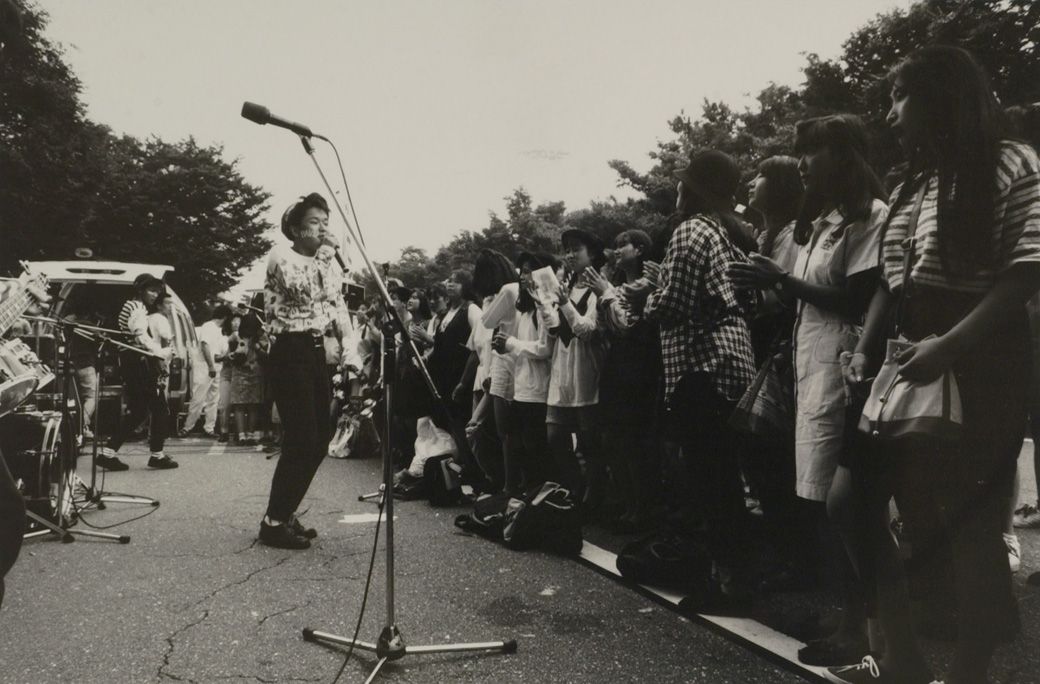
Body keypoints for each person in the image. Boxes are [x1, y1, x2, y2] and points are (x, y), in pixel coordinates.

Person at [832, 46, 1040, 684]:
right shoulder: (913, 182)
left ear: (940, 96)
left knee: (967, 521)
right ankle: (903, 657)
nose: (891, 113)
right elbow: (893, 285)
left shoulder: (1012, 161)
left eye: (900, 96)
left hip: (981, 356)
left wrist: (948, 346)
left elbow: (1024, 271)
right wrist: (868, 350)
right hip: (905, 352)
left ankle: (970, 670)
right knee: (851, 499)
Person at [730, 115, 889, 661]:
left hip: (845, 372)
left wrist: (778, 280)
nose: (802, 161)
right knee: (822, 503)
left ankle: (863, 631)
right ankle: (849, 618)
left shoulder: (868, 219)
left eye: (813, 150)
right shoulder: (824, 223)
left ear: (843, 155)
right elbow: (805, 300)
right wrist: (769, 286)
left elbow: (858, 300)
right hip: (811, 369)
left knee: (843, 506)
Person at [625, 150, 757, 613]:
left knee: (710, 479)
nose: (676, 189)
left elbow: (673, 306)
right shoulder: (727, 232)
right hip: (732, 360)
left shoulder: (689, 229)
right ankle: (731, 575)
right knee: (724, 477)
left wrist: (647, 296)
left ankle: (729, 585)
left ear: (694, 190)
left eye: (682, 183)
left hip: (700, 366)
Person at [259, 192, 347, 550]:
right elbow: (305, 292)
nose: (323, 229)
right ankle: (274, 521)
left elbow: (332, 295)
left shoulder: (324, 260)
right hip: (287, 348)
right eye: (314, 222)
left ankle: (285, 510)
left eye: (326, 222)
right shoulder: (282, 256)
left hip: (313, 348)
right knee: (301, 437)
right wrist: (326, 253)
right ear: (295, 228)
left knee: (321, 437)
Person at [580, 230, 663, 531]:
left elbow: (626, 325)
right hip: (616, 365)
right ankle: (627, 505)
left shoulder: (648, 284)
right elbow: (602, 328)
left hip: (640, 366)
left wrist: (605, 292)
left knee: (633, 439)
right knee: (612, 438)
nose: (615, 252)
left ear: (639, 249)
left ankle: (640, 509)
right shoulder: (615, 285)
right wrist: (603, 291)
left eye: (621, 246)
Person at [543, 228, 606, 506]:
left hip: (585, 368)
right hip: (563, 367)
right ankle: (574, 484)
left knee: (588, 437)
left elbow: (587, 330)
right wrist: (544, 304)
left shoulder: (599, 287)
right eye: (566, 249)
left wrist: (566, 303)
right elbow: (557, 329)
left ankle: (594, 493)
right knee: (555, 434)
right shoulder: (566, 285)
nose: (570, 255)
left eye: (576, 249)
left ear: (591, 253)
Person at [97, 274, 178, 471]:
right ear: (140, 290)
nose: (155, 295)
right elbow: (140, 337)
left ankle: (108, 453)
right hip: (138, 363)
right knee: (159, 408)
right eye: (151, 290)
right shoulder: (137, 308)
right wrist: (160, 353)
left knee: (139, 411)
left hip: (132, 363)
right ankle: (157, 455)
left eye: (157, 291)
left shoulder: (133, 306)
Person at [496, 252, 558, 493]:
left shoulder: (546, 309)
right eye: (522, 271)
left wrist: (511, 343)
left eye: (530, 271)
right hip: (522, 391)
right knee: (522, 450)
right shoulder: (524, 312)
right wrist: (505, 348)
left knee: (537, 453)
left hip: (538, 392)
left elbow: (545, 349)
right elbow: (523, 351)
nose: (524, 276)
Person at [180, 304, 230, 438]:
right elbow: (204, 345)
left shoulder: (220, 331)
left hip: (216, 366)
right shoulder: (209, 327)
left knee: (213, 399)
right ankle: (188, 426)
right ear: (225, 317)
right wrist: (211, 366)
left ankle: (209, 427)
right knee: (198, 397)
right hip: (205, 366)